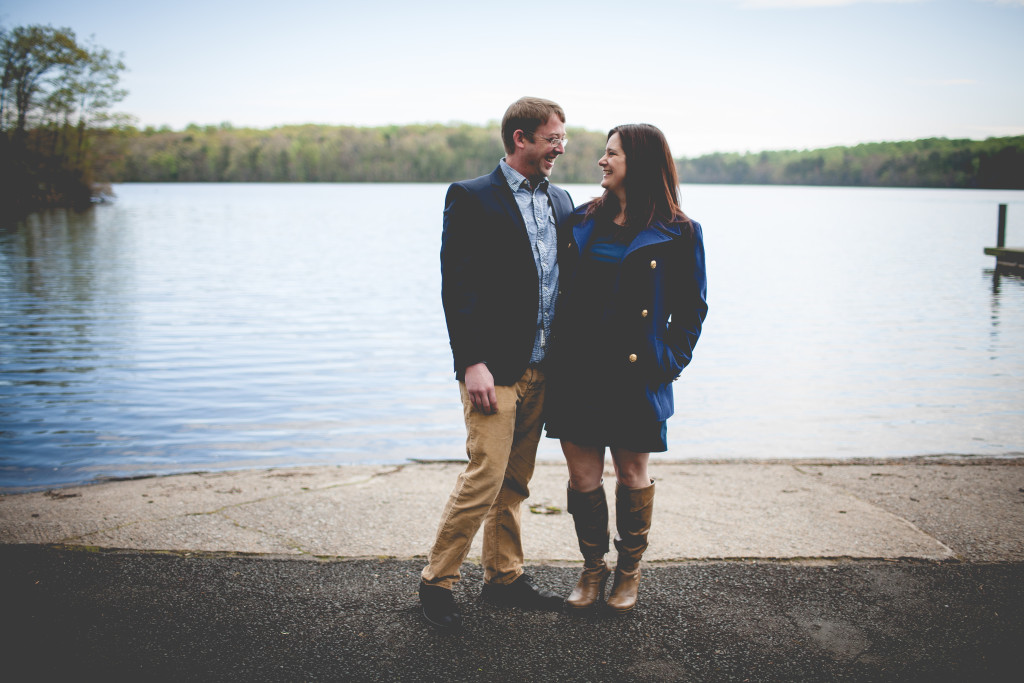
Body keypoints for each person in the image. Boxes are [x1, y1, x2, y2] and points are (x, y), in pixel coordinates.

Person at [418, 97, 575, 631]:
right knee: (485, 474)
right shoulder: (471, 196)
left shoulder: (562, 200)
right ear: (520, 139)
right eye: (552, 137)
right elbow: (456, 288)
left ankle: (504, 578)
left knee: (514, 482)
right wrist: (471, 363)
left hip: (543, 367)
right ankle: (437, 581)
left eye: (562, 138)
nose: (560, 147)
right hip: (493, 369)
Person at [544, 123, 707, 614]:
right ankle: (593, 568)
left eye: (611, 153)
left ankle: (629, 572)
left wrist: (669, 363)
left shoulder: (680, 232)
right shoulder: (578, 221)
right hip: (578, 370)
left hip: (636, 375)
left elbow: (692, 310)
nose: (602, 161)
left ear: (638, 161)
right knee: (582, 479)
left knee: (632, 475)